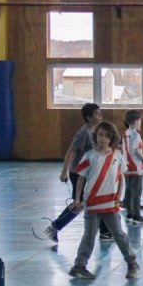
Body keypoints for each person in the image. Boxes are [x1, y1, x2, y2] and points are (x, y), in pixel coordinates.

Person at [68, 121, 139, 281]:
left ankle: (132, 263)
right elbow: (81, 178)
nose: (103, 139)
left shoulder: (117, 156)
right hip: (92, 203)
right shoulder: (89, 156)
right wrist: (78, 198)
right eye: (100, 135)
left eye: (107, 136)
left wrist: (119, 198)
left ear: (111, 138)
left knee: (119, 234)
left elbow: (121, 178)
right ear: (96, 136)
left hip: (110, 203)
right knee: (89, 235)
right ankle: (79, 266)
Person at [43, 103, 109, 244]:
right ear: (89, 117)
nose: (100, 115)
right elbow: (71, 151)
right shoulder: (83, 133)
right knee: (79, 204)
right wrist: (64, 171)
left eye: (100, 113)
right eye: (97, 114)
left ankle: (106, 232)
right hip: (78, 173)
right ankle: (54, 227)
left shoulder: (97, 131)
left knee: (93, 200)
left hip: (89, 173)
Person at [121, 109, 143, 225]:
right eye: (140, 120)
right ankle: (136, 215)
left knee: (129, 190)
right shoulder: (135, 134)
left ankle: (130, 212)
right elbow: (134, 150)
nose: (140, 122)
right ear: (136, 121)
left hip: (127, 166)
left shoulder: (126, 133)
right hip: (136, 167)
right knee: (136, 192)